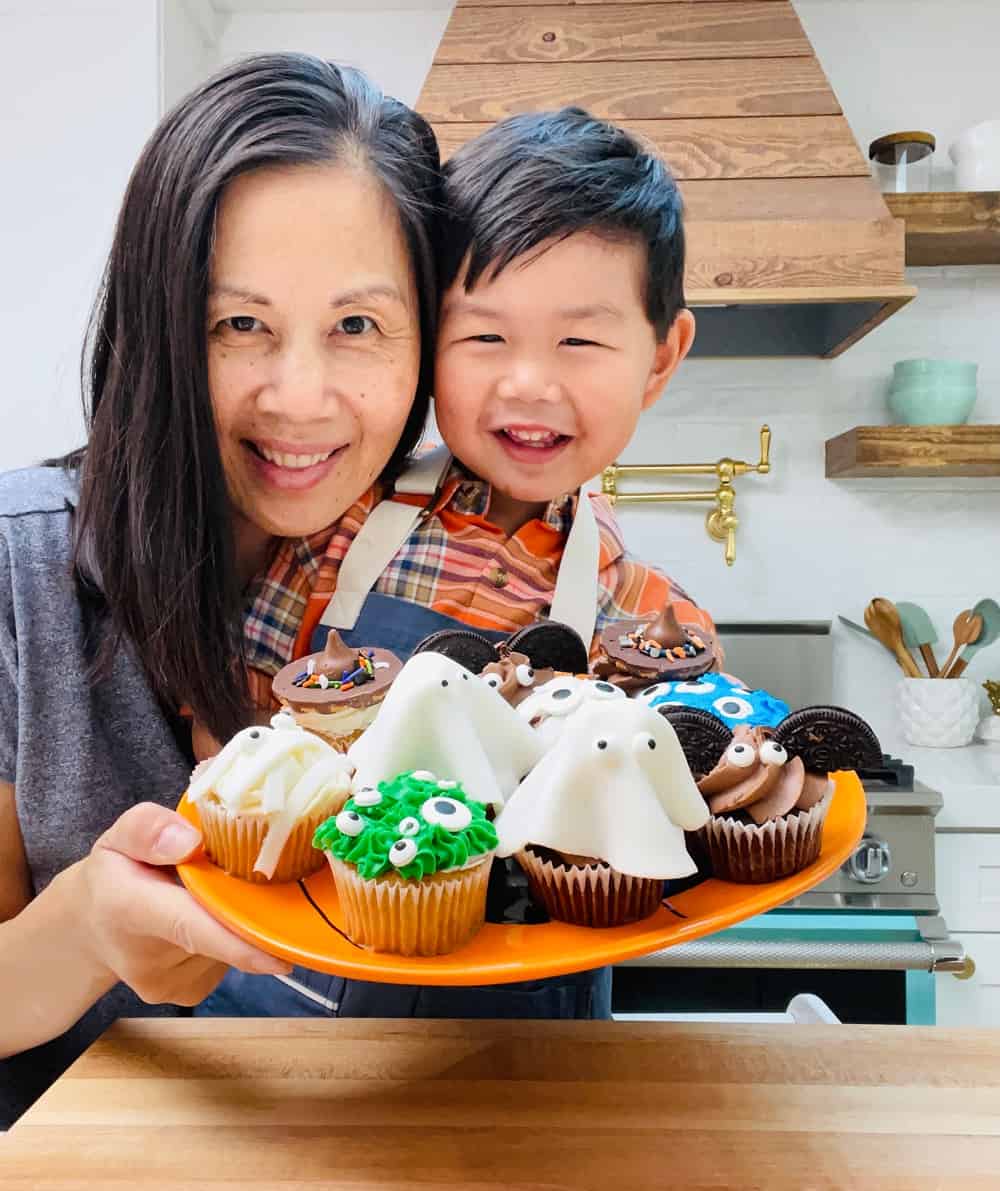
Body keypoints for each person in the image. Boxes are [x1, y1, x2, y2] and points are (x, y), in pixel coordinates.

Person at [0, 52, 443, 1127]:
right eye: (238, 324)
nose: (300, 398)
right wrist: (85, 930)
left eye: (357, 326)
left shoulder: (469, 580)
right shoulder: (19, 571)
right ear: (160, 330)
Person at [196, 108, 714, 1023]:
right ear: (427, 337)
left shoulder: (649, 618)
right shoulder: (344, 520)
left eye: (580, 341)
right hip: (290, 978)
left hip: (522, 1020)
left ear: (663, 359)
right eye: (484, 337)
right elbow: (238, 723)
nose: (527, 383)